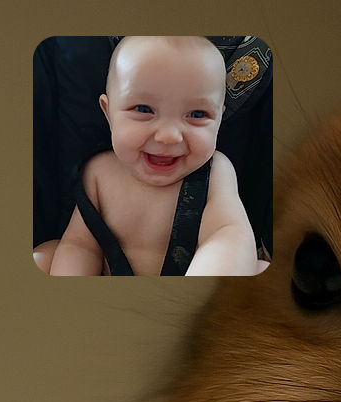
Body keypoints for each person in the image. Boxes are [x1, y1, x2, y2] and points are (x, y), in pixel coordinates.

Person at [43, 36, 259, 276]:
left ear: (219, 119)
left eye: (197, 114)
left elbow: (228, 234)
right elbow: (80, 246)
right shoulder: (98, 173)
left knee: (261, 268)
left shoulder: (215, 171)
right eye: (144, 110)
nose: (169, 136)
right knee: (44, 256)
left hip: (183, 294)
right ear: (108, 112)